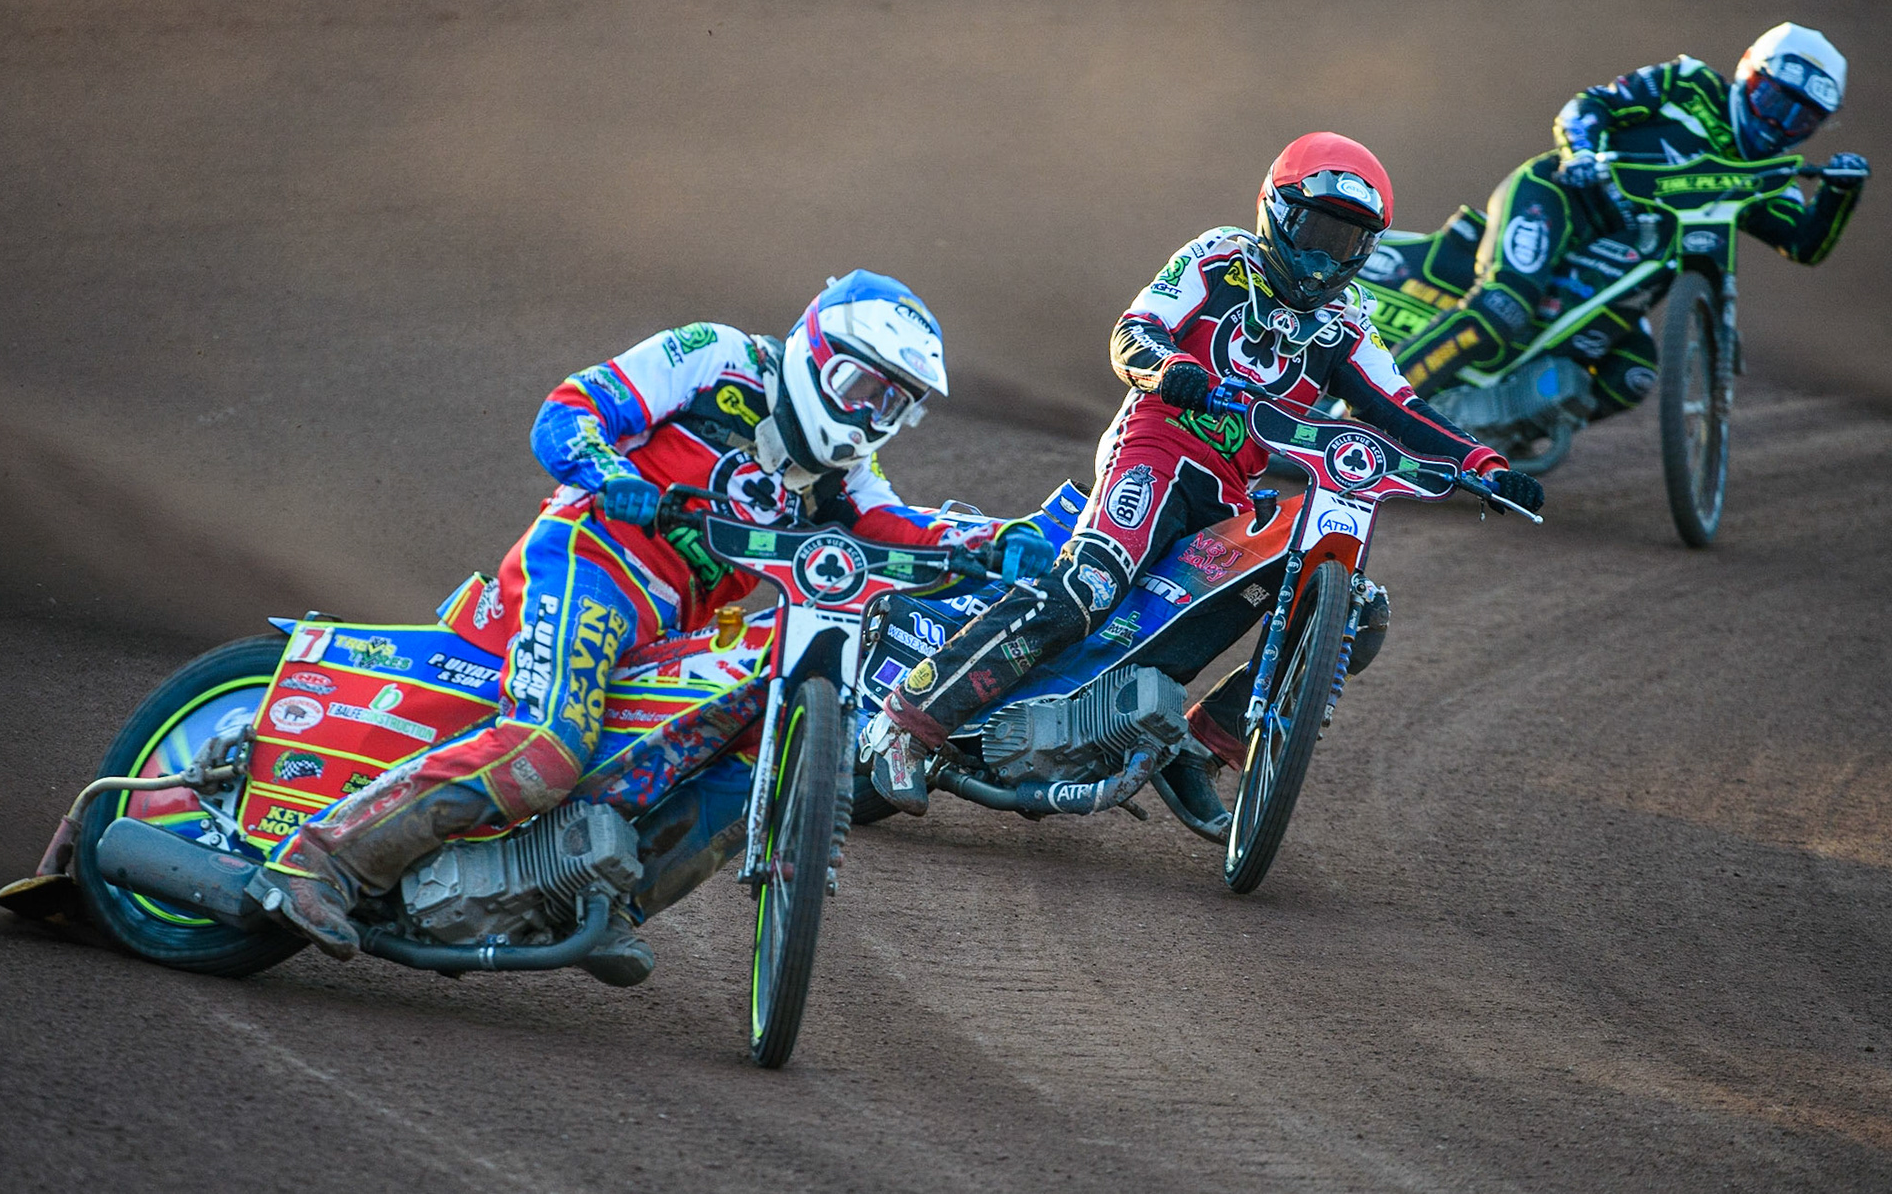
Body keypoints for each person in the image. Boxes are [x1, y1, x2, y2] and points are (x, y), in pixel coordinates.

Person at [253, 271, 1005, 972]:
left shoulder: (841, 477)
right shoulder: (720, 357)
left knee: (755, 755)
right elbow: (568, 412)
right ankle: (321, 860)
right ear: (815, 351)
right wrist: (616, 477)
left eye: (894, 405)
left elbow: (894, 525)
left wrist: (1001, 542)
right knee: (548, 747)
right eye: (862, 386)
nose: (871, 416)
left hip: (671, 626)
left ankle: (602, 898)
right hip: (590, 562)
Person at [864, 133, 1543, 817]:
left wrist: (1483, 463)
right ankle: (906, 719)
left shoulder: (1347, 323)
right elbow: (1134, 331)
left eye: (1343, 243)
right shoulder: (1218, 257)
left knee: (1350, 610)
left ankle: (1204, 745)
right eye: (1312, 231)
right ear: (1275, 211)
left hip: (1230, 494)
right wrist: (1170, 368)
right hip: (1154, 449)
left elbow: (1403, 406)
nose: (1320, 257)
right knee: (1088, 586)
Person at [1393, 23, 1870, 411]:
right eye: (1773, 102)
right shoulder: (1688, 84)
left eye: (1800, 119)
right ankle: (1365, 411)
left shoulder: (1770, 179)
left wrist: (1838, 194)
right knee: (1504, 306)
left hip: (1624, 271)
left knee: (1632, 375)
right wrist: (1579, 153)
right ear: (1748, 73)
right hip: (1556, 199)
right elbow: (1590, 104)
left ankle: (1502, 430)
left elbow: (1804, 245)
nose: (1777, 126)